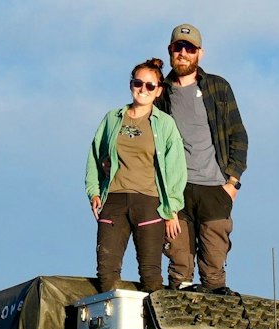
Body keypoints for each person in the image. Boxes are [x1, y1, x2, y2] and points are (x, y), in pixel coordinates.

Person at [156, 23, 248, 295]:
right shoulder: (160, 92)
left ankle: (214, 328)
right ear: (170, 51)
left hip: (214, 188)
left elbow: (238, 135)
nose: (183, 53)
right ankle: (178, 324)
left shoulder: (218, 87)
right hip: (177, 191)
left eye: (190, 48)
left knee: (214, 268)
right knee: (179, 266)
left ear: (200, 53)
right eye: (178, 47)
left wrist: (232, 182)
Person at [85, 59, 187, 292]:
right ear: (131, 85)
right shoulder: (113, 118)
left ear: (158, 90)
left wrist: (171, 209)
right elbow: (94, 154)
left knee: (151, 273)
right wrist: (93, 191)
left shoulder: (165, 124)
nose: (143, 89)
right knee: (106, 272)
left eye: (150, 86)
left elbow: (176, 169)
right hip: (114, 200)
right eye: (138, 83)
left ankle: (154, 327)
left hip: (149, 202)